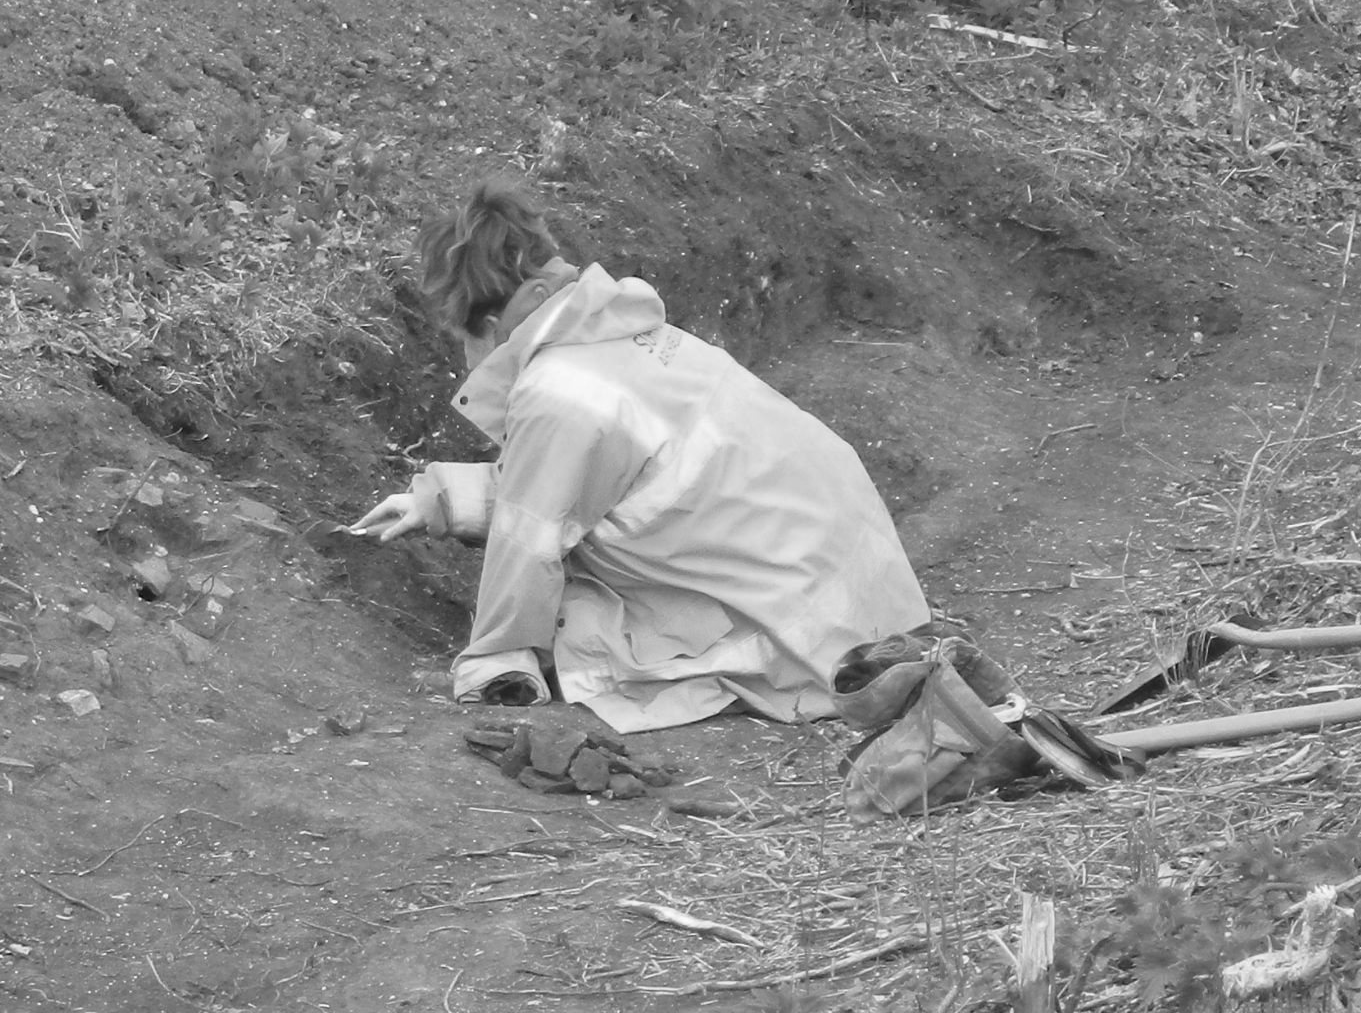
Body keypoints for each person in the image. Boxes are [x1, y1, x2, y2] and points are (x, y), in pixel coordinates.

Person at [352, 179, 930, 733]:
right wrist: (438, 501)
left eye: (473, 334)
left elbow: (531, 539)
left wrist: (494, 663)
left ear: (526, 302)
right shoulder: (626, 338)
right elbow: (575, 484)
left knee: (577, 612)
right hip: (866, 600)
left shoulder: (559, 391)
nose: (471, 355)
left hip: (806, 640)